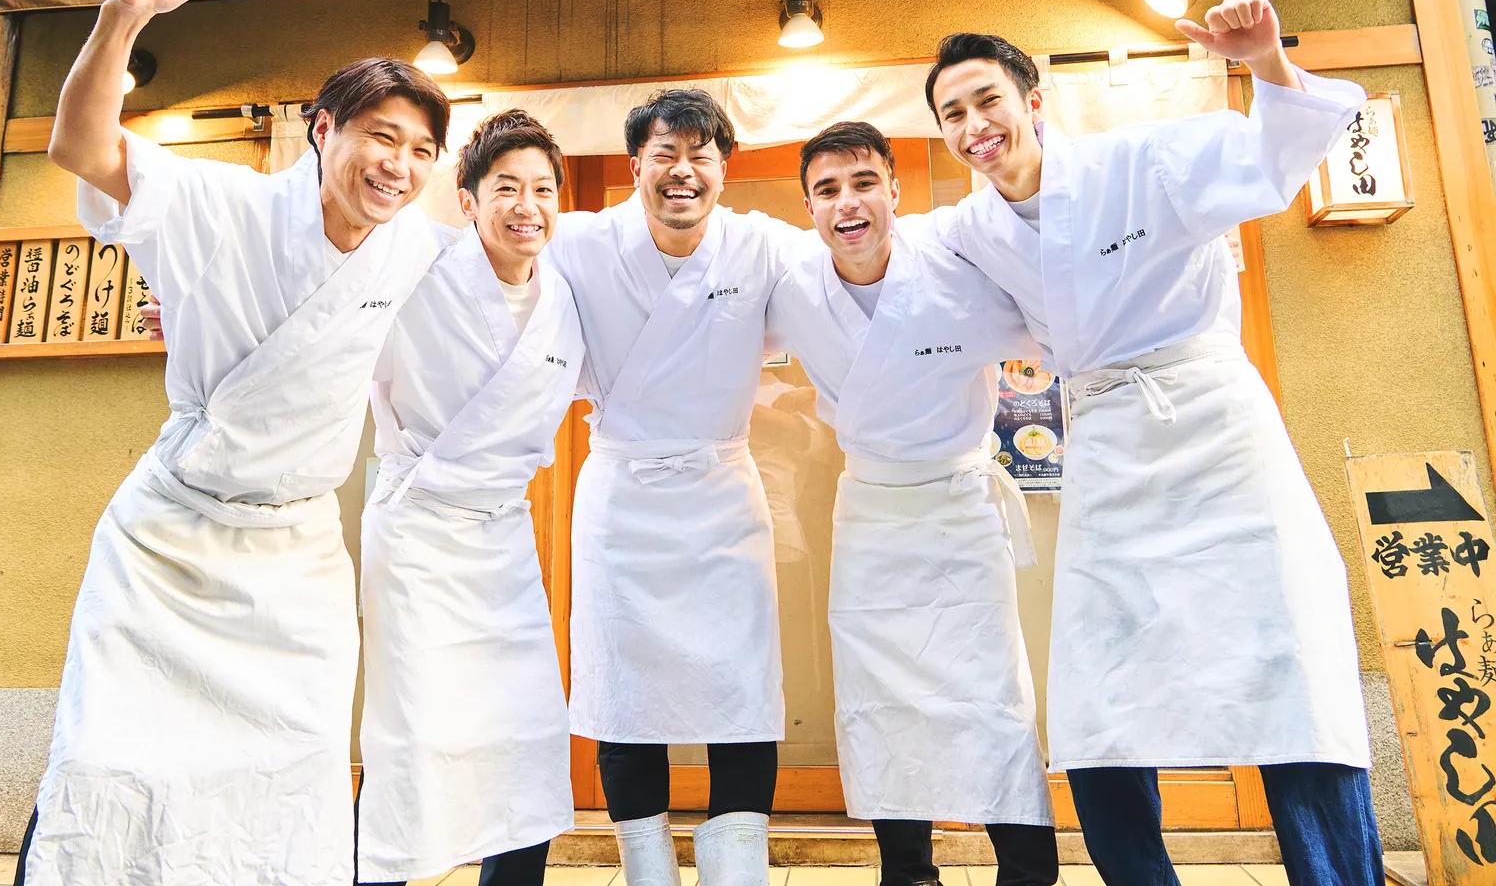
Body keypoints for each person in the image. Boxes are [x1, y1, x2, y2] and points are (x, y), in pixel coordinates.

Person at [916, 0, 1383, 885]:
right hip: (1106, 441)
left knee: (1286, 669)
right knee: (1100, 695)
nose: (975, 127)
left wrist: (1266, 61)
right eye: (953, 115)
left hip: (1215, 430)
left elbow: (1275, 156)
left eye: (987, 102)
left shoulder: (1147, 159)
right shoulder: (971, 229)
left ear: (1033, 99)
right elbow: (877, 264)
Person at [18, 0, 448, 886]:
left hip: (295, 561)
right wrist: (124, 11)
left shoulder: (416, 249)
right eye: (382, 135)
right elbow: (81, 146)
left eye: (422, 151)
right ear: (321, 130)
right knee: (108, 761)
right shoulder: (219, 203)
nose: (401, 166)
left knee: (291, 780)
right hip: (168, 543)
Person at [766, 122, 1058, 886]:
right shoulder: (794, 283)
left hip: (960, 504)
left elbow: (1053, 300)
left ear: (895, 191)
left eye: (863, 182)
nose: (847, 204)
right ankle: (907, 870)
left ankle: (1028, 869)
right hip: (869, 510)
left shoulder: (956, 265)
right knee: (879, 693)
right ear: (808, 208)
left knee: (990, 690)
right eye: (827, 190)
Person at [543, 89, 808, 886]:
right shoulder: (581, 242)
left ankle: (738, 873)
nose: (682, 171)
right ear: (636, 167)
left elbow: (860, 270)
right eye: (665, 153)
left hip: (721, 497)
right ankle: (646, 872)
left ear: (724, 168)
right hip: (623, 498)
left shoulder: (761, 246)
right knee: (627, 694)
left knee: (742, 691)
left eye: (700, 155)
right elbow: (485, 273)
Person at [355, 111, 584, 886]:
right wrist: (196, 322)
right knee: (412, 734)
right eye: (507, 188)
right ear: (467, 199)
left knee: (525, 732)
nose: (529, 206)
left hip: (501, 538)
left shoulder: (565, 296)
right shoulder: (413, 269)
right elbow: (317, 311)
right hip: (418, 527)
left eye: (544, 189)